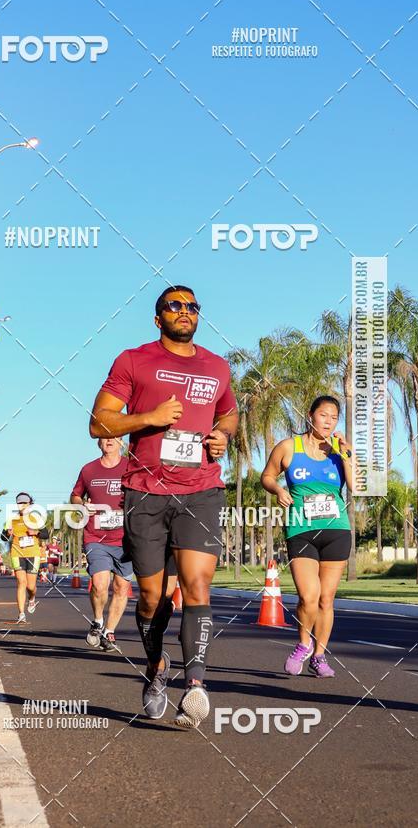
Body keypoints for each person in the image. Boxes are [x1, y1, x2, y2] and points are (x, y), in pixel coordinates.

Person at [90, 285, 238, 727]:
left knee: (196, 585)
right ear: (158, 319)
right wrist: (148, 419)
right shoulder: (133, 360)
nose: (185, 311)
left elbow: (227, 412)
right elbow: (98, 420)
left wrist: (223, 435)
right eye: (174, 306)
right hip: (146, 493)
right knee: (152, 597)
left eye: (192, 306)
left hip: (202, 490)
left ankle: (196, 685)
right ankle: (156, 667)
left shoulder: (217, 366)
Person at [261, 395, 353, 678]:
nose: (329, 421)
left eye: (334, 417)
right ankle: (303, 644)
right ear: (311, 415)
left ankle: (319, 656)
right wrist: (278, 490)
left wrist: (347, 453)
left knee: (327, 599)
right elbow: (267, 476)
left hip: (337, 529)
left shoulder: (339, 452)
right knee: (308, 596)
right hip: (301, 530)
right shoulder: (289, 446)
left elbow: (356, 485)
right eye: (324, 415)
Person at [70, 438, 134, 653]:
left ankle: (109, 631)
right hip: (96, 536)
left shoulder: (131, 466)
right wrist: (81, 505)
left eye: (114, 436)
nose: (109, 440)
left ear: (121, 442)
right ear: (98, 442)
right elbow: (76, 494)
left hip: (127, 538)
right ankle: (97, 621)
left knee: (121, 587)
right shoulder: (89, 469)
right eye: (104, 437)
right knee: (99, 584)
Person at [2, 491, 47, 624]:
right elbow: (3, 537)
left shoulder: (35, 518)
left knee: (31, 586)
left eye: (24, 503)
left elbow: (45, 534)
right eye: (19, 503)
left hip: (33, 554)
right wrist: (7, 533)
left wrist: (37, 532)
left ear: (29, 504)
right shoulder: (12, 519)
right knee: (21, 583)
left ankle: (32, 598)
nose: (22, 505)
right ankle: (21, 614)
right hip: (17, 553)